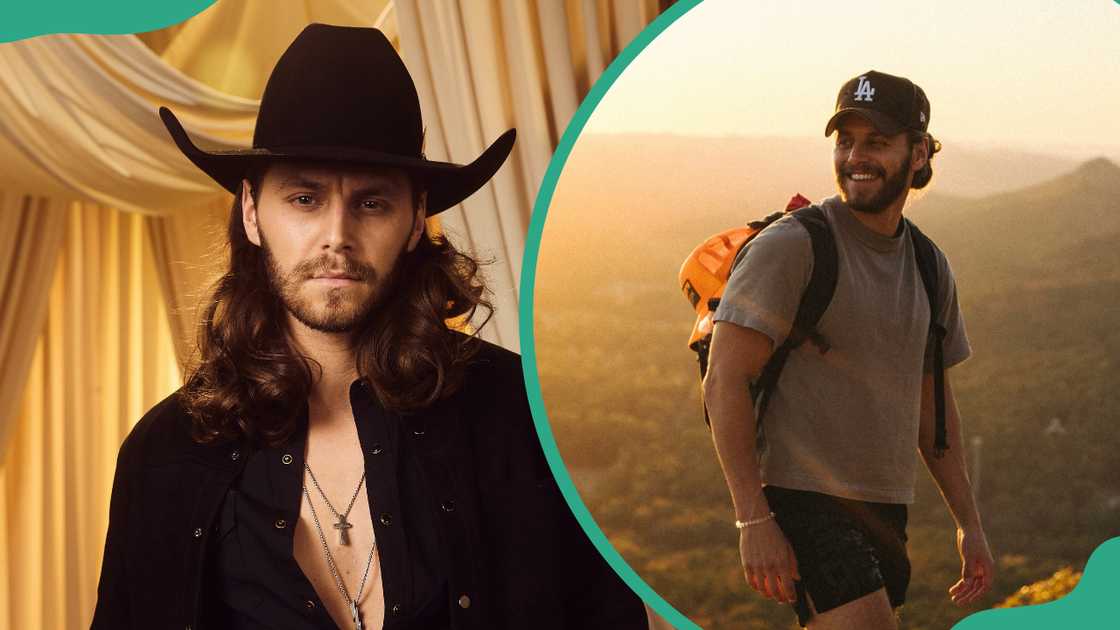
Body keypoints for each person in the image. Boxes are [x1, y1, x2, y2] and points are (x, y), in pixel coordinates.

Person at [90, 24, 647, 630]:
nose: (337, 235)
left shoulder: (525, 416)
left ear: (415, 222)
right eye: (304, 199)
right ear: (251, 212)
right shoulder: (165, 454)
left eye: (372, 202)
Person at [703, 70, 995, 629]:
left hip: (884, 506)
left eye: (877, 143)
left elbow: (933, 412)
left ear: (918, 154)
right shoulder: (792, 246)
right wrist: (753, 520)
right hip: (799, 496)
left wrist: (970, 523)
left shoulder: (930, 268)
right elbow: (725, 380)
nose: (855, 156)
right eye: (845, 141)